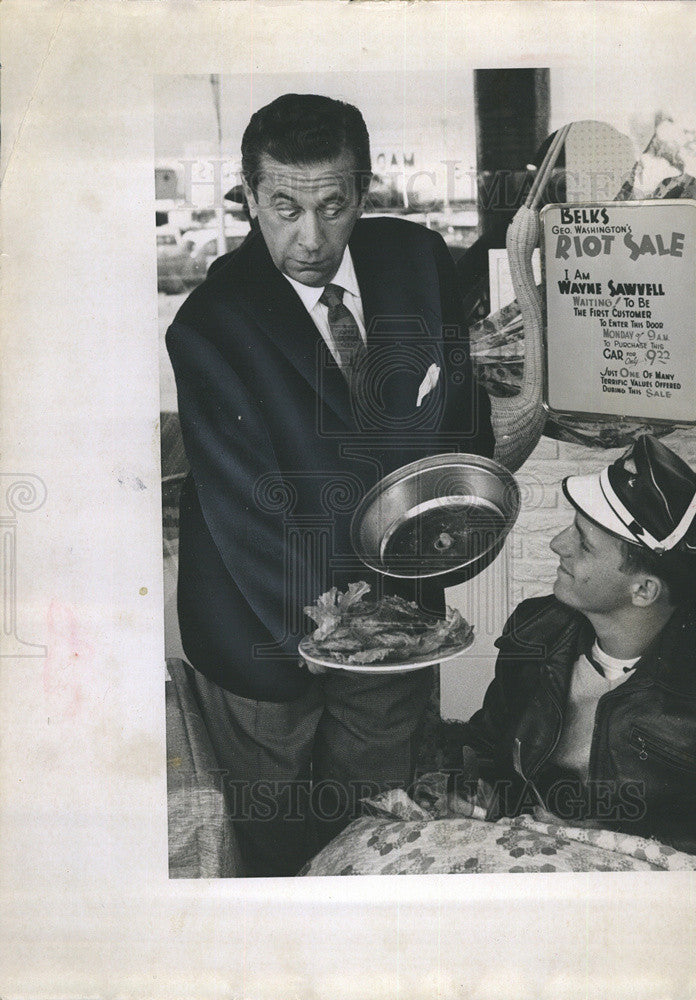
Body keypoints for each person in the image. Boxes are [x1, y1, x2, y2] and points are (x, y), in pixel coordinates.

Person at [166, 93, 494, 876]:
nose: (308, 238)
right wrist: (341, 635)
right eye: (282, 207)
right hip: (259, 624)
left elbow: (459, 417)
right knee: (278, 834)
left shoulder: (417, 260)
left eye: (332, 206)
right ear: (248, 196)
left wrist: (452, 538)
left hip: (397, 614)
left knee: (378, 823)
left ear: (365, 188)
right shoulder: (210, 325)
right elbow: (247, 510)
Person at [463, 435, 696, 856]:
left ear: (643, 589)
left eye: (584, 542)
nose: (558, 544)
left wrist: (620, 831)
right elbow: (486, 744)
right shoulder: (535, 628)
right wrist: (479, 788)